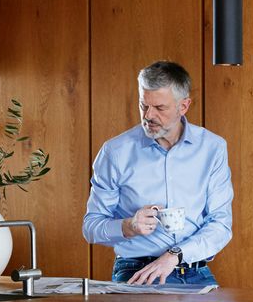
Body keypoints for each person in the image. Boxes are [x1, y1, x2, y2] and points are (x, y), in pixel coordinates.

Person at [82, 61, 232, 286]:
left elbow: (221, 224)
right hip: (137, 269)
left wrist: (174, 255)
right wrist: (128, 226)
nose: (148, 116)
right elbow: (91, 227)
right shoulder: (115, 152)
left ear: (184, 106)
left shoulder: (212, 148)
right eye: (144, 106)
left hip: (195, 270)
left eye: (159, 108)